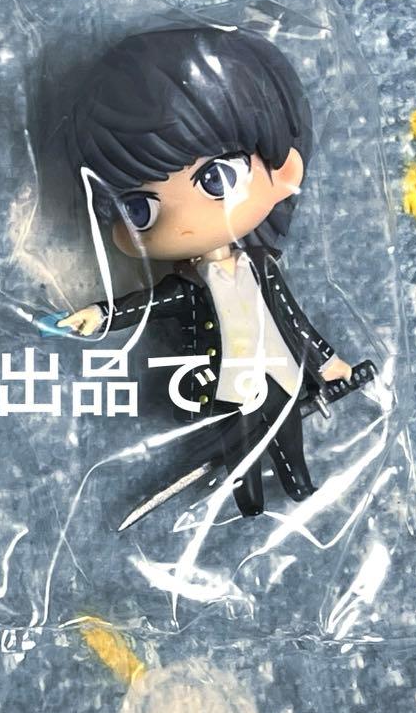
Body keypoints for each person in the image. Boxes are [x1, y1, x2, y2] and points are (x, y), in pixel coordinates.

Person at [52, 26, 351, 517]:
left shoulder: (262, 266)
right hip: (228, 384)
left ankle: (298, 482)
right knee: (241, 451)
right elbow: (147, 305)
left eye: (217, 179)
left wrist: (327, 361)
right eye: (141, 209)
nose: (185, 224)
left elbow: (293, 319)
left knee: (287, 435)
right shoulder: (188, 286)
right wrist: (101, 315)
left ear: (285, 174)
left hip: (278, 369)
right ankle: (250, 500)